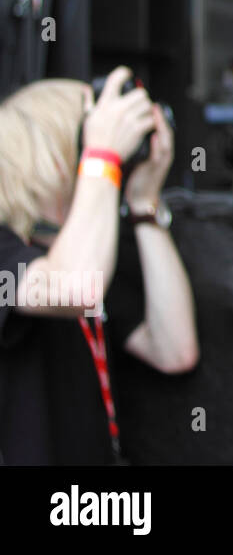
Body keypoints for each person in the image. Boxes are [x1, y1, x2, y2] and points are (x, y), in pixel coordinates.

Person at [0, 67, 199, 464]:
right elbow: (74, 287)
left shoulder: (84, 250)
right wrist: (103, 156)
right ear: (53, 158)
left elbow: (172, 349)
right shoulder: (9, 251)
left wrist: (144, 206)